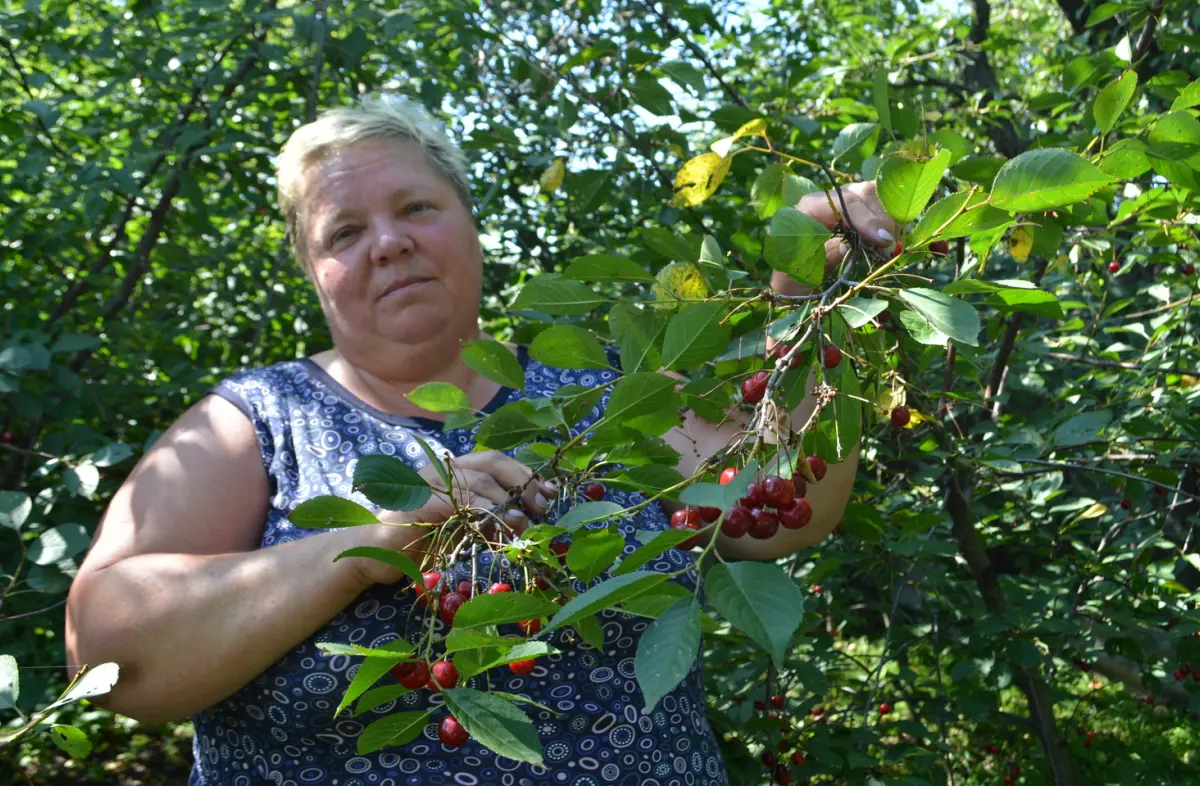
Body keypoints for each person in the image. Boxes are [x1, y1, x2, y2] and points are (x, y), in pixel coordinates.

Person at [64, 95, 900, 786]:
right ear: (311, 270)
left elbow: (777, 505)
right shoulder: (254, 423)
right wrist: (372, 544)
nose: (387, 242)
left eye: (416, 208)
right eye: (343, 234)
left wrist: (809, 303)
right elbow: (108, 655)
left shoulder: (604, 394)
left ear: (470, 223)